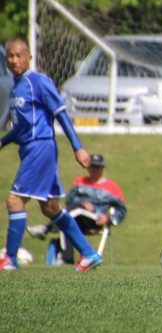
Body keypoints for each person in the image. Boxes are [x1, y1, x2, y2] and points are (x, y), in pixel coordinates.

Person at [0, 38, 103, 272]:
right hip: (30, 149)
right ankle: (89, 253)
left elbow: (61, 115)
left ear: (29, 58)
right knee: (50, 208)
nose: (14, 60)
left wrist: (78, 147)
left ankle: (10, 259)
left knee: (14, 201)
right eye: (10, 56)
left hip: (40, 148)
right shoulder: (17, 86)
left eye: (19, 55)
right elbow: (20, 127)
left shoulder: (39, 82)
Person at [27, 153, 126, 265]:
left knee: (69, 215)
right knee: (71, 218)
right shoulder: (80, 182)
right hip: (77, 216)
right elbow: (69, 201)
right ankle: (66, 259)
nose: (95, 169)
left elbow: (121, 210)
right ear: (88, 167)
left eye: (98, 166)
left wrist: (107, 218)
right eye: (92, 166)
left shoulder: (112, 187)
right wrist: (82, 204)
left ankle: (47, 228)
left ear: (103, 168)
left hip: (95, 219)